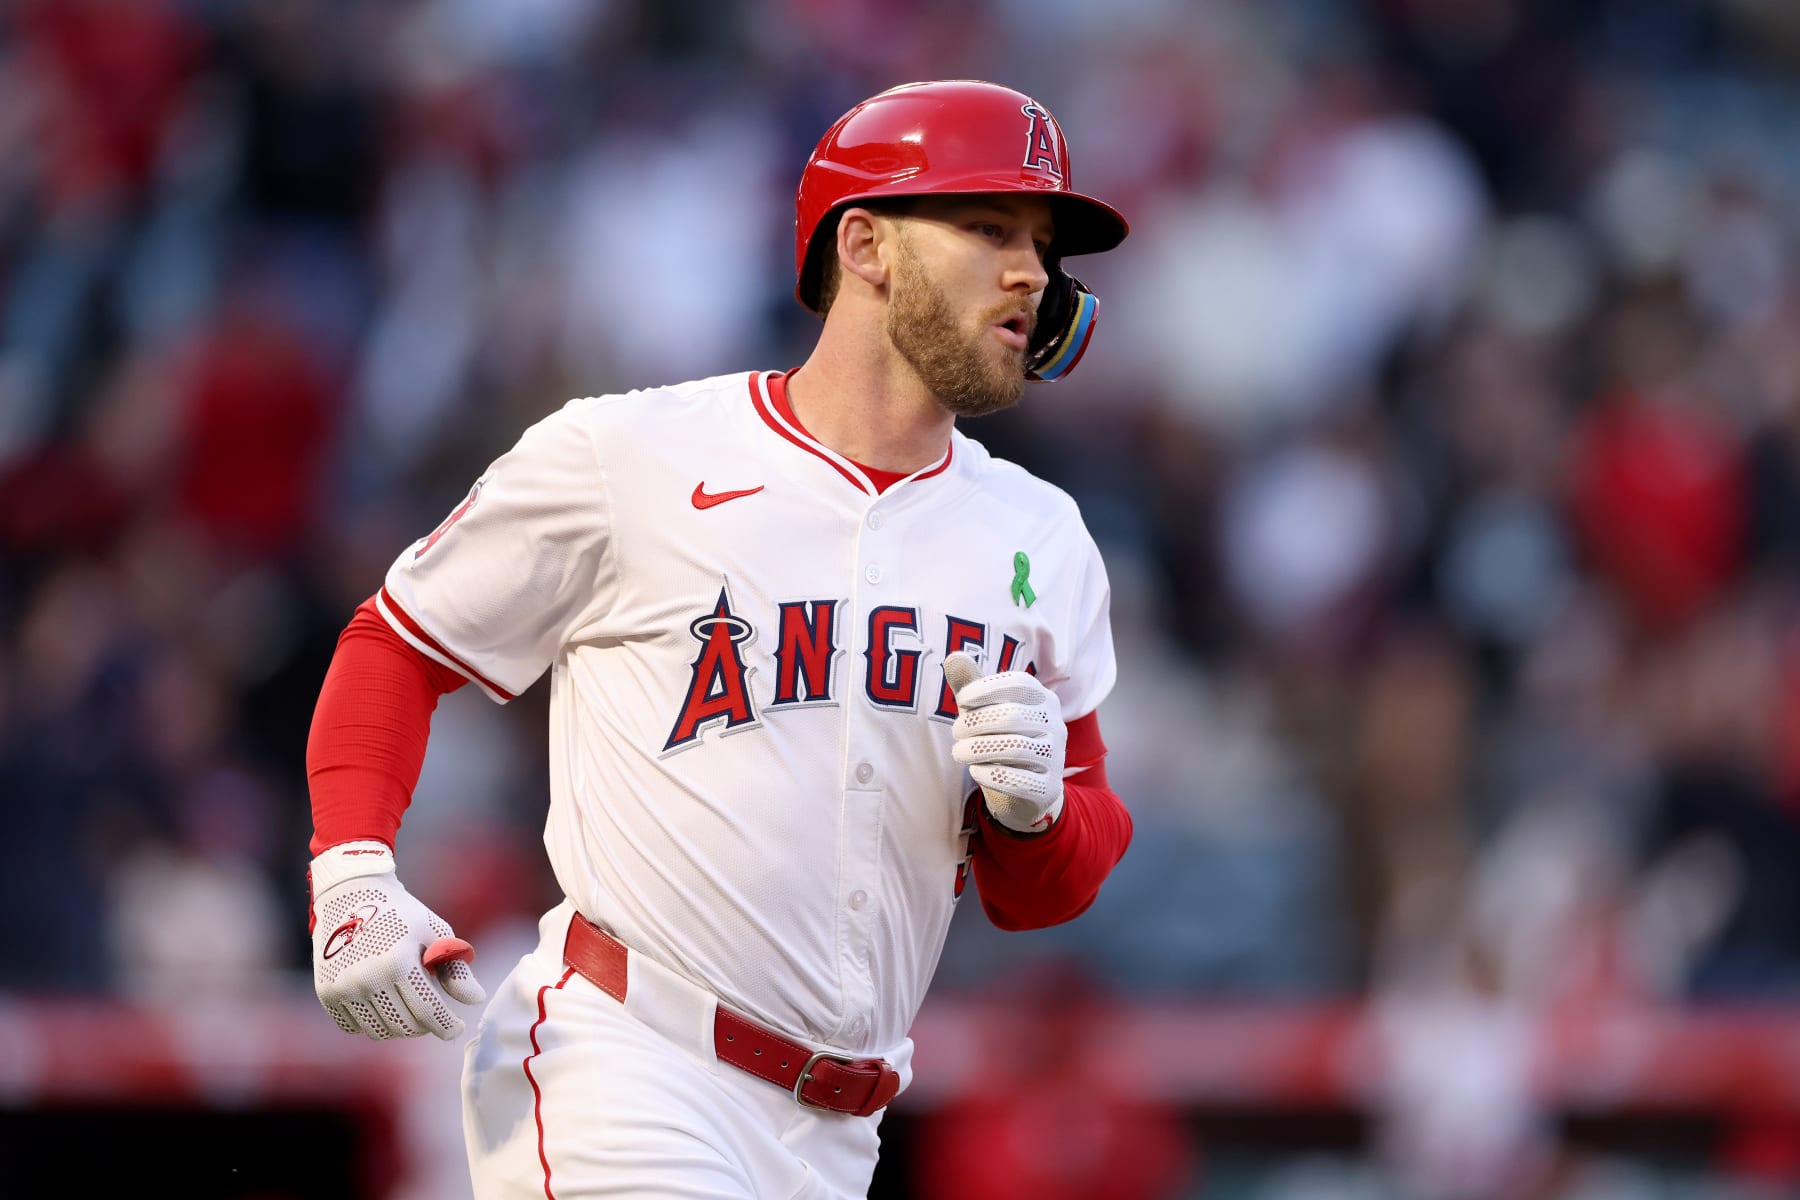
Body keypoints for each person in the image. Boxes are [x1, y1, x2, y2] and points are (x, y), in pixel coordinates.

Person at [303, 79, 1135, 1199]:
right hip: (630, 1066)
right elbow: (401, 642)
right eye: (989, 229)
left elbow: (1048, 891)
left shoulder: (1045, 537)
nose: (1034, 273)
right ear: (867, 245)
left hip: (842, 1134)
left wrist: (1034, 816)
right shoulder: (631, 454)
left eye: (1042, 242)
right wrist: (352, 868)